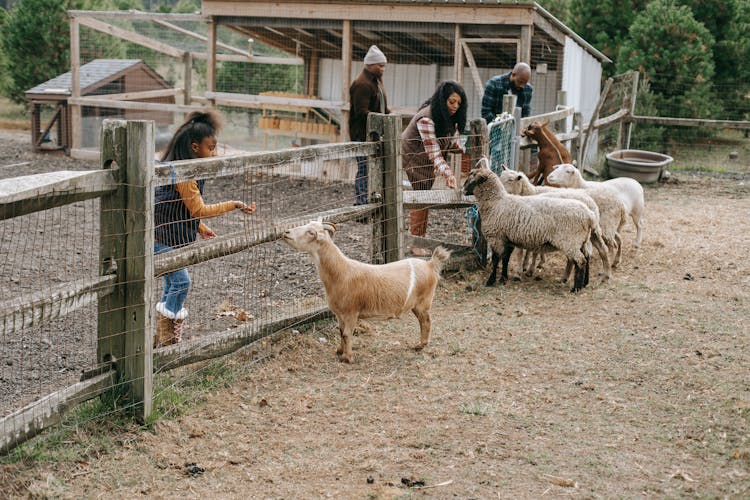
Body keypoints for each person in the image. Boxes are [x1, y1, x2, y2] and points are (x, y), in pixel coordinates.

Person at [153, 110, 256, 347]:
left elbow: (182, 208)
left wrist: (199, 227)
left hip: (169, 234)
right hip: (162, 237)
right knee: (181, 282)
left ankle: (162, 339)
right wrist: (234, 204)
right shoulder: (184, 173)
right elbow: (197, 208)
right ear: (195, 147)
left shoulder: (186, 169)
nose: (215, 153)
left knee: (173, 283)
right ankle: (169, 340)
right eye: (212, 148)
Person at [401, 80, 467, 256]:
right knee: (421, 197)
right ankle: (415, 243)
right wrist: (449, 174)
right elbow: (434, 152)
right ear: (442, 99)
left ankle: (419, 239)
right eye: (452, 101)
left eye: (459, 103)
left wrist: (455, 146)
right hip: (414, 159)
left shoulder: (446, 116)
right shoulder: (426, 118)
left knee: (424, 198)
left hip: (426, 160)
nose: (455, 106)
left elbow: (446, 140)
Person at [349, 45, 390, 207]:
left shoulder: (374, 82)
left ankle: (368, 199)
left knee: (370, 168)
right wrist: (382, 119)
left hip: (371, 133)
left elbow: (380, 106)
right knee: (364, 168)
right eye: (380, 65)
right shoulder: (363, 84)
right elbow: (362, 112)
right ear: (370, 65)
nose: (383, 69)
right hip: (362, 134)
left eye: (384, 65)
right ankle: (361, 202)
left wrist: (388, 115)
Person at [481, 62, 538, 172]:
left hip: (516, 133)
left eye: (525, 83)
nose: (522, 86)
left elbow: (525, 113)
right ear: (513, 74)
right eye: (520, 82)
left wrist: (523, 127)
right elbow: (486, 112)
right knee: (495, 162)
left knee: (513, 161)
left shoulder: (528, 89)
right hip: (496, 130)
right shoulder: (493, 84)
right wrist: (503, 127)